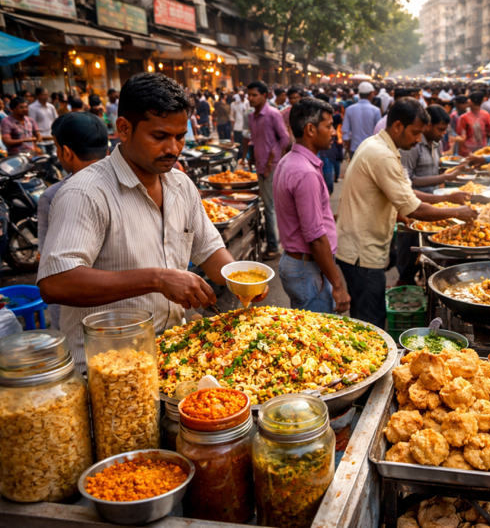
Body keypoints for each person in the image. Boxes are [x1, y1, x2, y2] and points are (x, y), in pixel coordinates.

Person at [37, 73, 268, 368]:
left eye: (180, 137)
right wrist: (157, 279)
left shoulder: (181, 185)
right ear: (124, 128)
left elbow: (209, 249)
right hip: (107, 366)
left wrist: (241, 280)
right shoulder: (85, 193)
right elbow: (56, 283)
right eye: (159, 137)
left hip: (171, 354)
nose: (173, 148)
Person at [335, 98, 477, 326]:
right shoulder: (382, 155)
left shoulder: (377, 145)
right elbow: (415, 207)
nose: (418, 139)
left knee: (367, 317)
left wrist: (442, 203)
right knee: (371, 323)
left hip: (361, 249)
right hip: (362, 253)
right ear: (398, 126)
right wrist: (457, 212)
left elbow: (404, 193)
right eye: (414, 132)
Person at [273, 97, 351, 314]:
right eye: (328, 126)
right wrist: (338, 286)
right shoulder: (304, 172)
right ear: (310, 129)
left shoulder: (290, 161)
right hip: (308, 269)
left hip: (302, 266)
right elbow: (316, 238)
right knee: (314, 338)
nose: (334, 132)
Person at [37, 112, 109, 330]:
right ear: (107, 149)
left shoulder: (53, 196)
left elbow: (49, 264)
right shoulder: (129, 184)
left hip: (80, 316)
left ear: (66, 152)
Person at [396, 105, 471, 285]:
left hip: (433, 207)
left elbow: (433, 170)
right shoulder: (412, 146)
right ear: (427, 126)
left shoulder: (435, 144)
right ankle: (405, 284)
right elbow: (409, 182)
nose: (443, 133)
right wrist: (444, 178)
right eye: (440, 129)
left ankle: (421, 279)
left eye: (445, 129)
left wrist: (448, 175)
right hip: (414, 207)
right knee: (408, 253)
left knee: (428, 254)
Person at [243, 80, 289, 260]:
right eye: (249, 95)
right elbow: (254, 139)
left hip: (272, 166)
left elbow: (284, 139)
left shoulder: (273, 114)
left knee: (269, 207)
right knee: (267, 205)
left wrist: (272, 157)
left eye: (254, 95)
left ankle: (273, 246)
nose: (250, 98)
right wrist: (250, 156)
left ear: (264, 96)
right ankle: (271, 241)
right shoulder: (252, 116)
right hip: (260, 166)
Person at [342, 81, 381, 157]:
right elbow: (379, 132)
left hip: (355, 148)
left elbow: (345, 131)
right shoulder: (376, 110)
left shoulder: (349, 109)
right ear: (371, 94)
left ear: (359, 94)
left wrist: (348, 149)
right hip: (371, 149)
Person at [456, 91, 490, 157]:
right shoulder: (486, 115)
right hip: (482, 152)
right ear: (482, 100)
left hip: (467, 153)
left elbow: (461, 138)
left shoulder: (463, 117)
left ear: (469, 101)